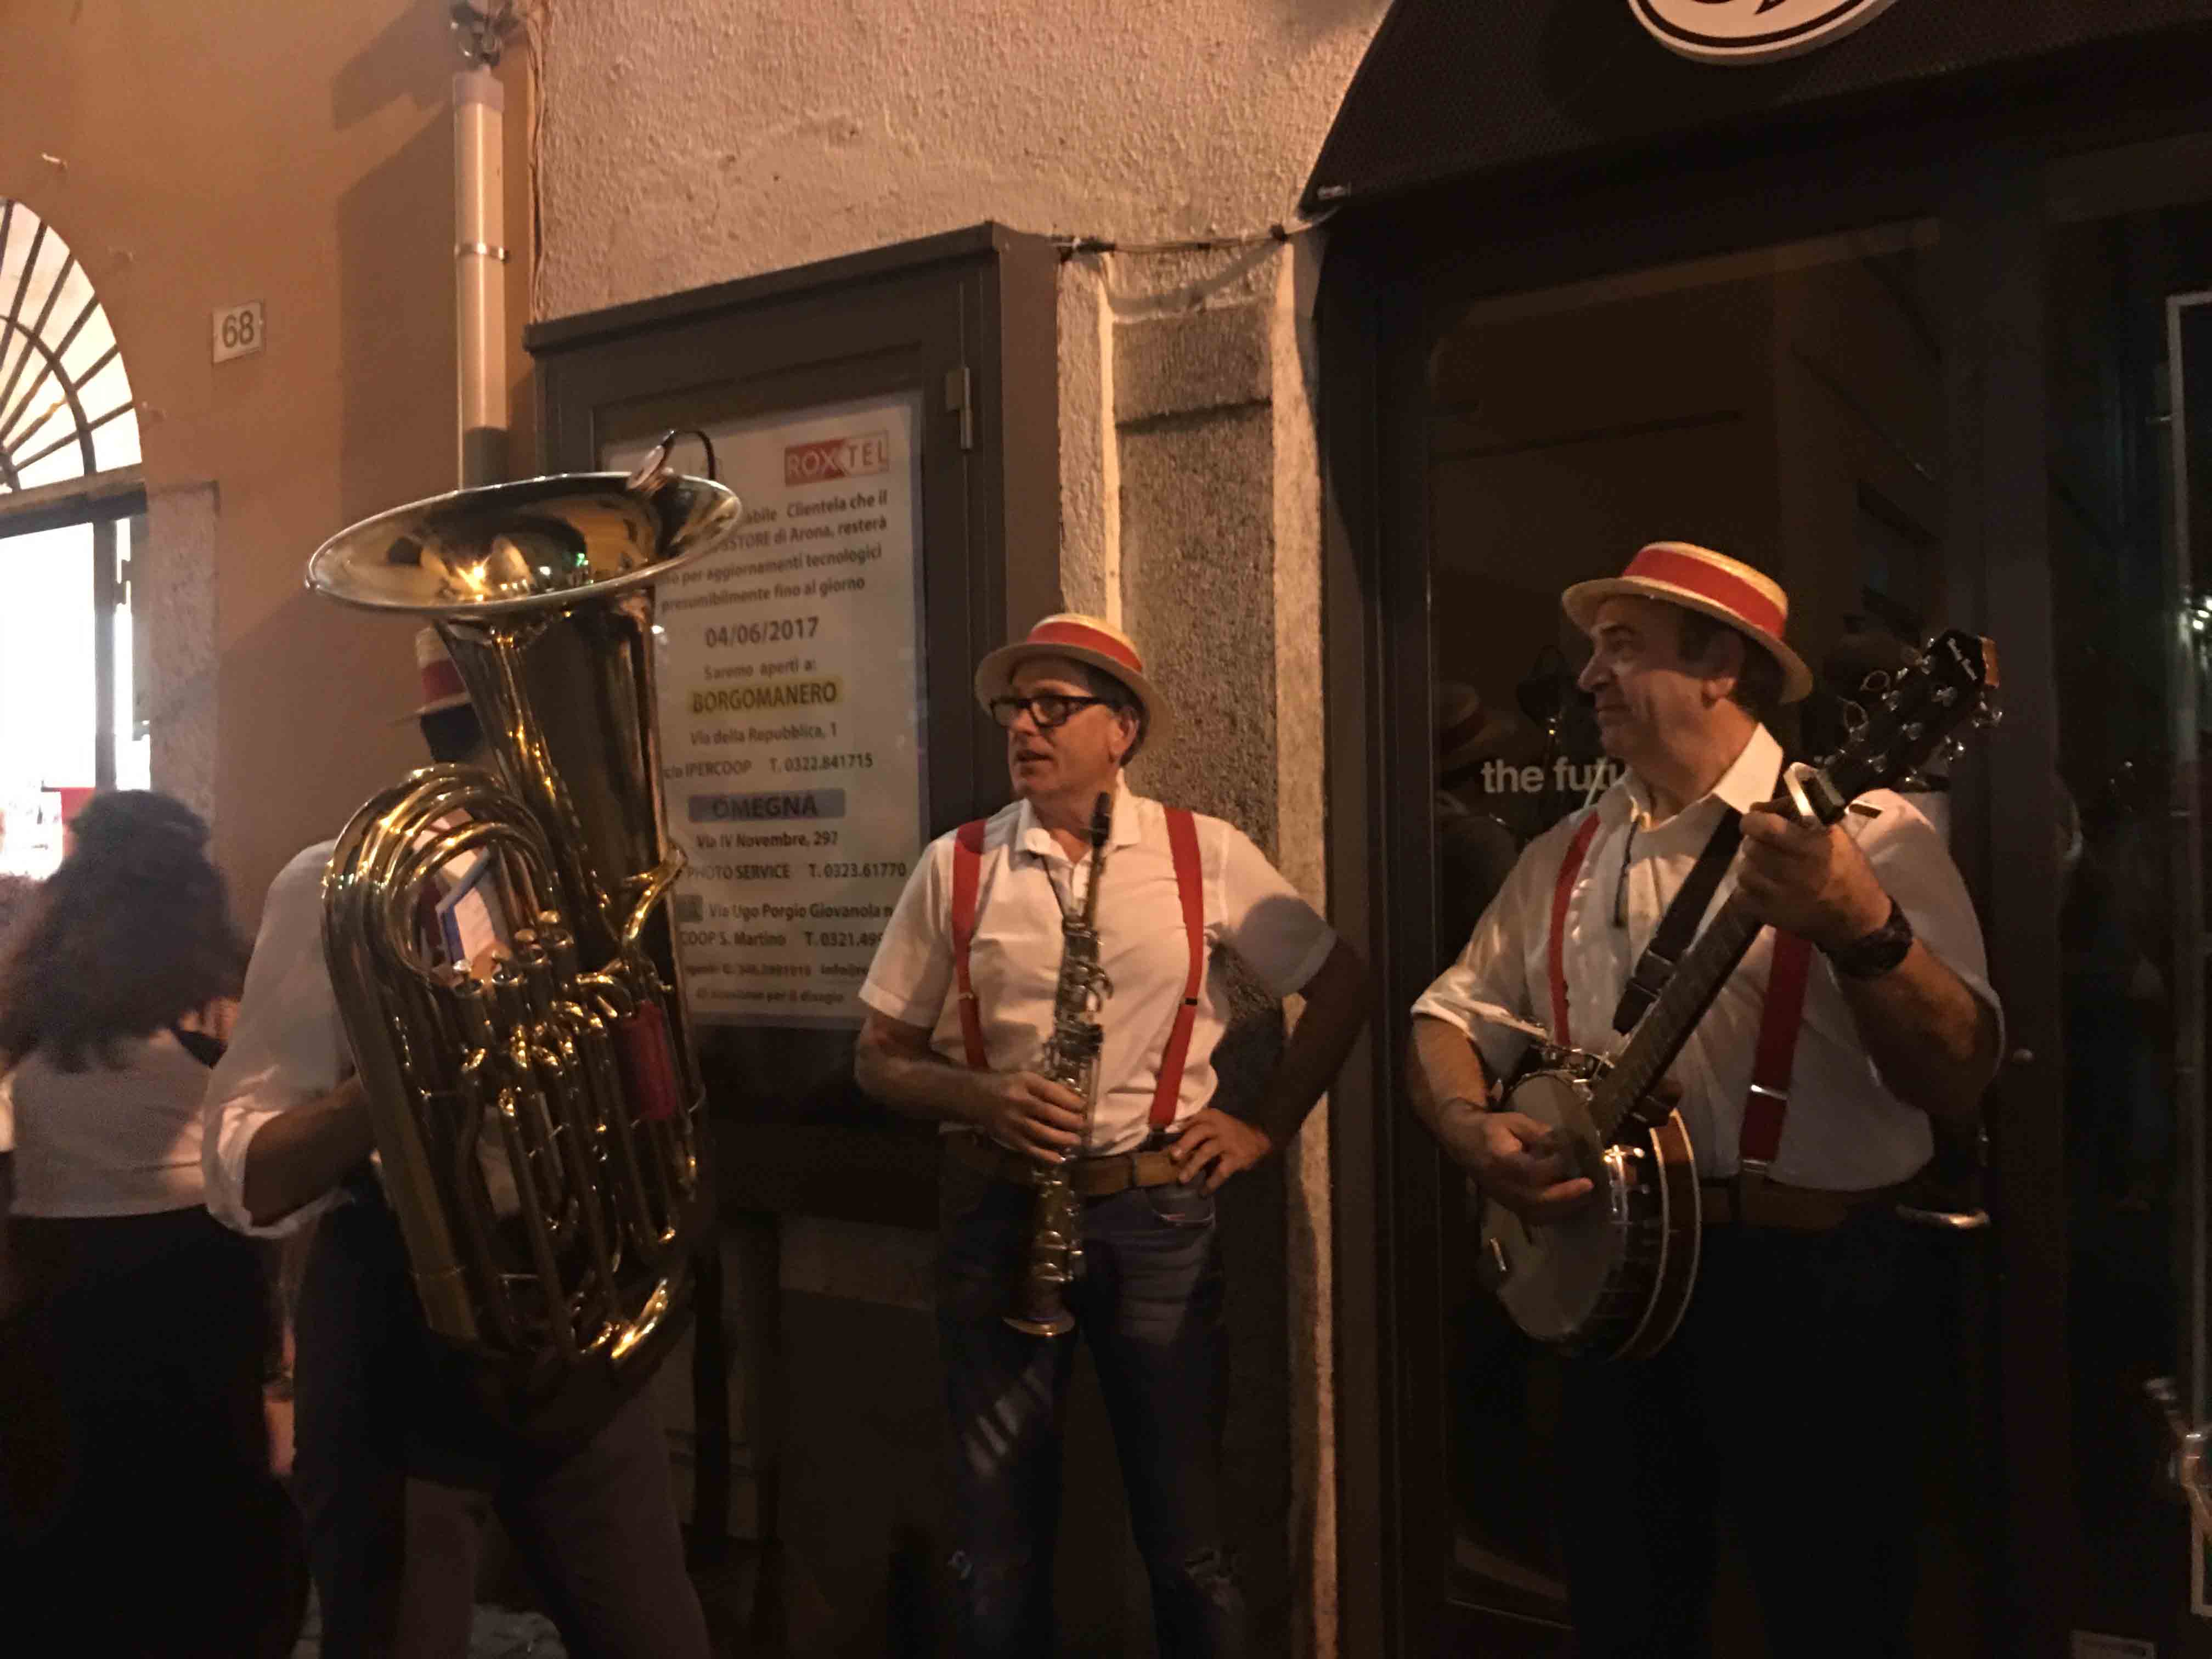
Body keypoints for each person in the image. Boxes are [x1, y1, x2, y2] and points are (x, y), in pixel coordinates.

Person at [1406, 543, 2002, 1657]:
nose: (1588, 676)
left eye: (1621, 648)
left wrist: (1864, 928)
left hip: (1811, 1296)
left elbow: (1958, 1072)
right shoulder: (1564, 855)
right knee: (1624, 1618)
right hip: (1611, 1294)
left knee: (1832, 1619)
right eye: (1593, 650)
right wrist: (1466, 1126)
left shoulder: (1871, 833)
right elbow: (1448, 1014)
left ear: (1721, 667)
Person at [853, 613, 1370, 1658]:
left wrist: (1263, 1127)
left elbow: (1340, 983)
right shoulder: (957, 865)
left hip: (1155, 1211)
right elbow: (877, 1058)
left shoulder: (1202, 853)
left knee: (1187, 1534)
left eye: (1055, 707)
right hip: (998, 1206)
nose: (1024, 727)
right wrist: (985, 1097)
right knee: (994, 1534)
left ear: (1122, 730)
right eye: (1016, 708)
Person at [199, 628, 710, 1659]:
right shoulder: (344, 888)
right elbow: (245, 1172)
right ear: (468, 735)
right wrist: (406, 1077)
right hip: (403, 1337)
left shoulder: (591, 890)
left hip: (575, 1328)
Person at [0, 790, 303, 1656]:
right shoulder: (221, 1018)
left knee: (70, 1541)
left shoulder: (35, 1021)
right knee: (205, 1542)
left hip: (59, 1286)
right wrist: (284, 1365)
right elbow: (263, 1182)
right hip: (196, 1280)